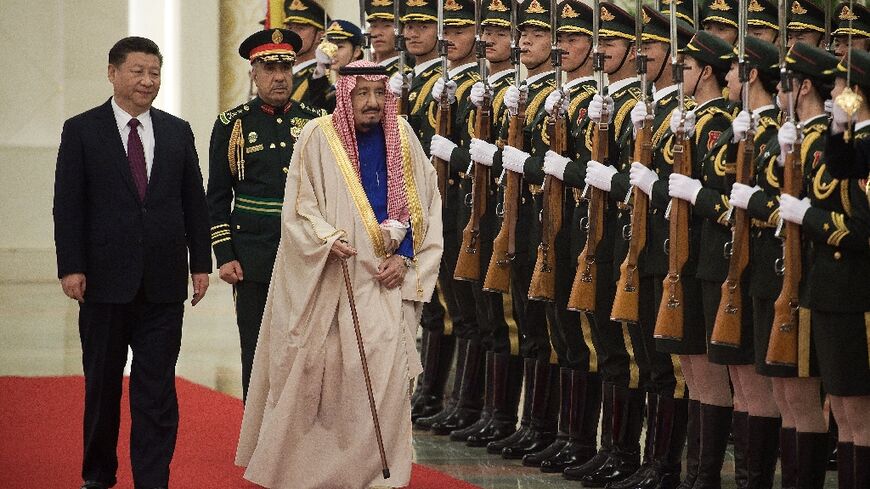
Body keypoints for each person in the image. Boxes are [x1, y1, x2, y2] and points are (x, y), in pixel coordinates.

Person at [235, 60, 443, 489]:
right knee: (333, 379)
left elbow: (426, 203)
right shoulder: (317, 136)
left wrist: (404, 257)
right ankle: (325, 471)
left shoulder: (403, 136)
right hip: (335, 277)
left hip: (388, 279)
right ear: (344, 96)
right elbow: (299, 206)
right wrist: (327, 239)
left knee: (386, 375)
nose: (371, 103)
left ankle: (379, 476)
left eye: (378, 94)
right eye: (361, 94)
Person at [53, 36, 212, 489]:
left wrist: (199, 263)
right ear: (113, 73)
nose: (147, 81)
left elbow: (193, 204)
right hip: (104, 282)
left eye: (155, 73)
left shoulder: (178, 131)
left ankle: (153, 480)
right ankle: (98, 476)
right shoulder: (82, 130)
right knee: (102, 388)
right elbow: (68, 204)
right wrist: (71, 265)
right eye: (138, 71)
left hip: (163, 283)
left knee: (157, 390)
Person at [207, 28, 323, 401]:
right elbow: (217, 197)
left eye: (285, 68)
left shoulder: (316, 122)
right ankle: (256, 433)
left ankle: (300, 432)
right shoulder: (233, 125)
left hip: (304, 252)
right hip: (252, 253)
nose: (279, 77)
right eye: (269, 68)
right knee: (256, 346)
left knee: (306, 346)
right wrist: (224, 256)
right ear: (253, 73)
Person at [309, 20, 365, 112]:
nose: (332, 53)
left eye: (339, 47)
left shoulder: (362, 85)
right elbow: (316, 112)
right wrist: (320, 69)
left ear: (356, 52)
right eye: (329, 47)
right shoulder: (327, 86)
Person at [283, 0, 329, 110]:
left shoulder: (321, 77)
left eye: (300, 28)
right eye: (290, 28)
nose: (292, 34)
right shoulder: (284, 73)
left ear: (320, 35)